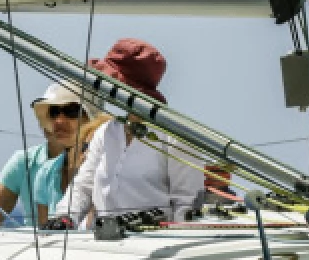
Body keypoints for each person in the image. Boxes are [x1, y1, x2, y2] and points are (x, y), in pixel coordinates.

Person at [57, 39, 204, 225]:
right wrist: (65, 216)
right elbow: (83, 185)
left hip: (151, 248)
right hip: (100, 242)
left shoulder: (175, 138)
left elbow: (186, 206)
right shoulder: (106, 132)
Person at [0, 83, 105, 227]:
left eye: (71, 111)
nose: (59, 121)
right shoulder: (45, 173)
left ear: (92, 119)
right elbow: (45, 237)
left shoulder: (108, 169)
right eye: (54, 112)